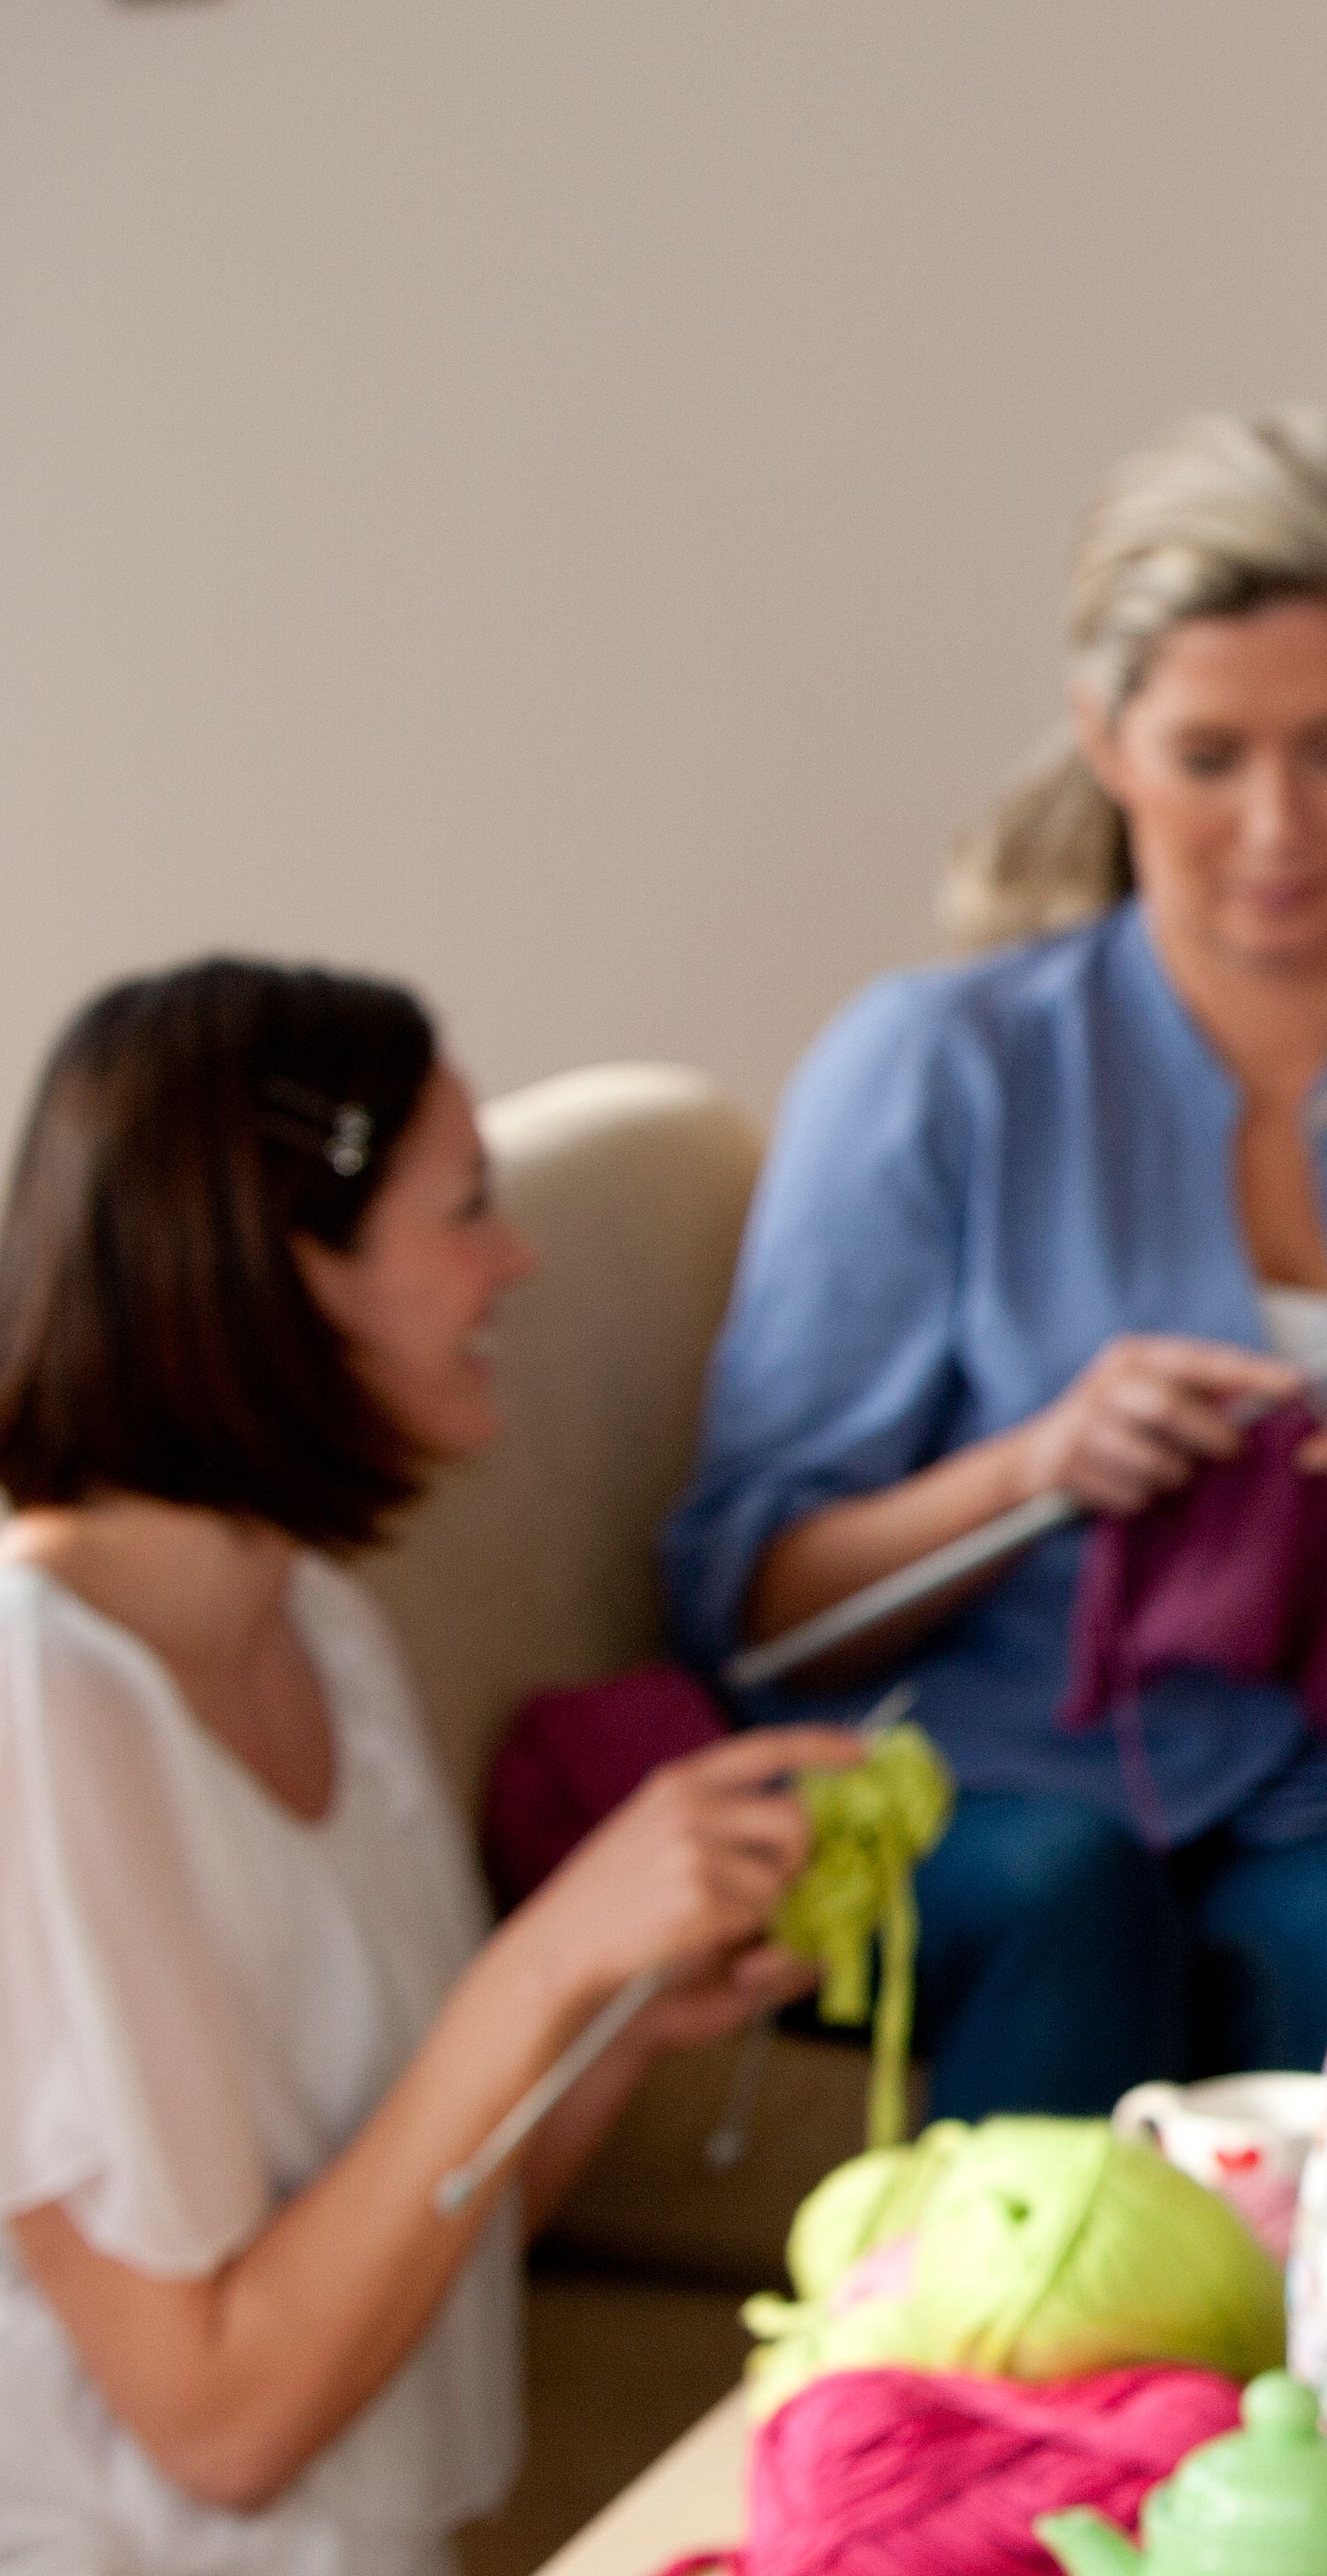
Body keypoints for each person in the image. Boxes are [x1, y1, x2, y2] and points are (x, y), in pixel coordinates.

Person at [664, 408, 1327, 2121]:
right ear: (1105, 738)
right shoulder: (939, 1068)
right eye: (1208, 755)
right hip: (1001, 1802)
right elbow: (756, 1608)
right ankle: (1026, 2378)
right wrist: (1033, 1468)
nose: (1277, 826)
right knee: (1068, 1899)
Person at [0, 961, 848, 2576]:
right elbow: (226, 2423)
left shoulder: (316, 1621)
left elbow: (418, 2244)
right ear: (287, 1273)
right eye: (467, 1210)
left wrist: (600, 2032)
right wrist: (544, 1959)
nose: (513, 1258)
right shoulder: (33, 1710)